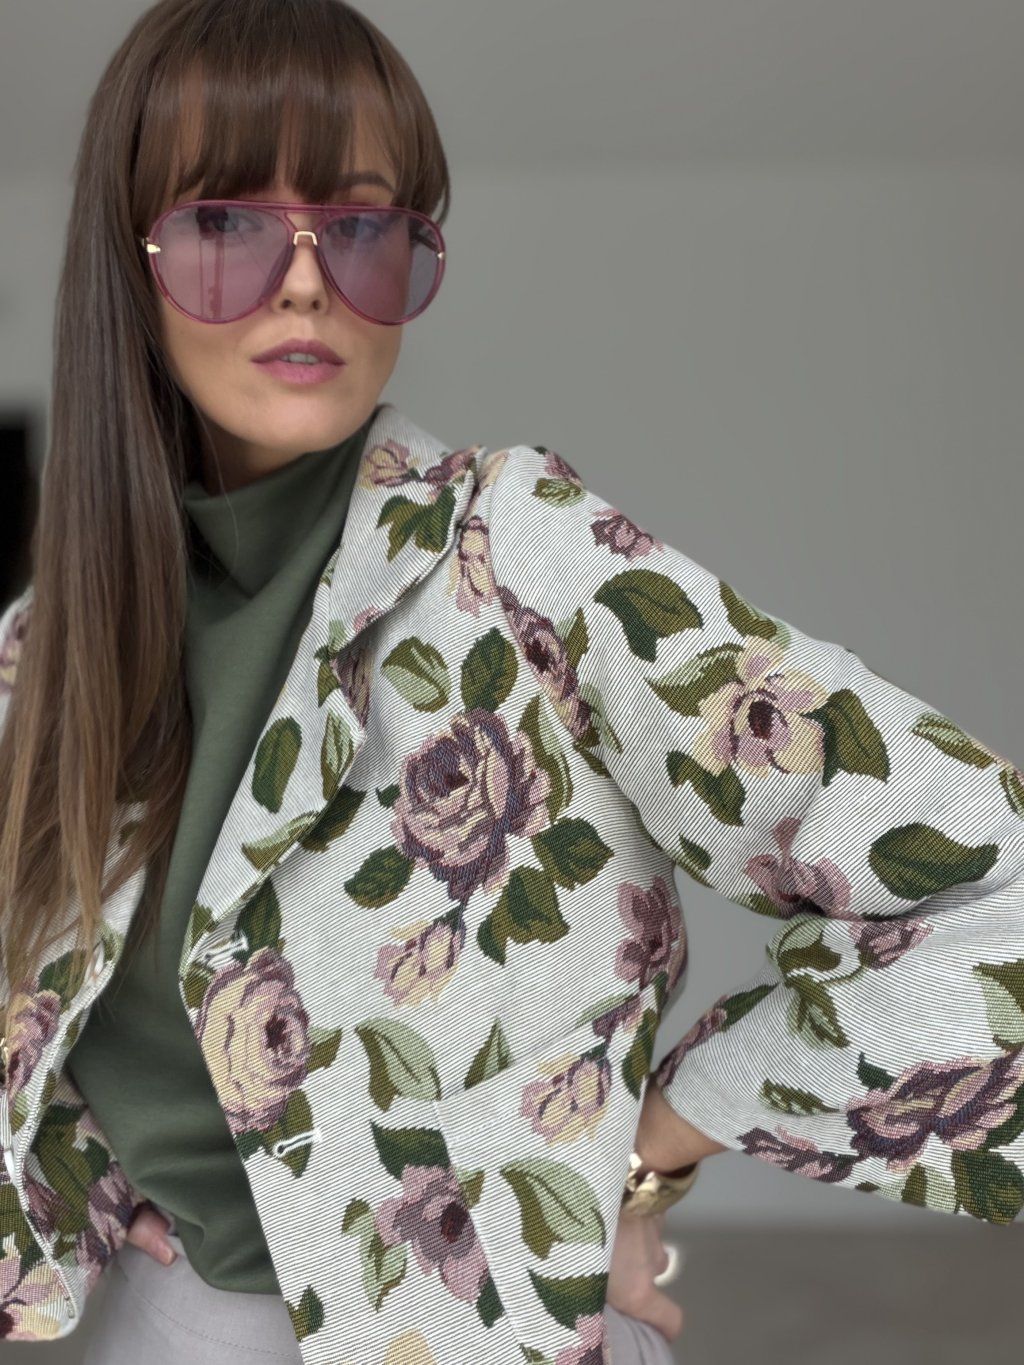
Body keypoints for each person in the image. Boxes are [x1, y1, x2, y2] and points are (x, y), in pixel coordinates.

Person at [3, 1, 1024, 1363]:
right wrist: (74, 1172)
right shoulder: (45, 655)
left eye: (360, 225)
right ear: (127, 265)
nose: (305, 283)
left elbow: (990, 882)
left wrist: (652, 1154)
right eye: (226, 223)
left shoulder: (518, 561)